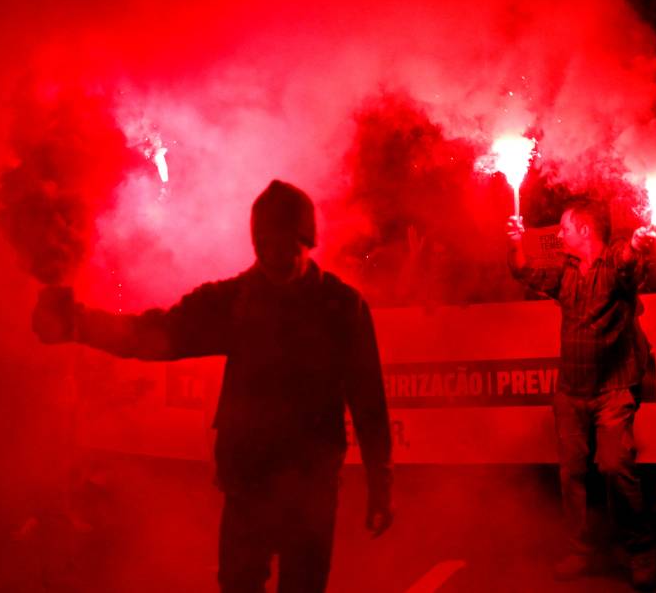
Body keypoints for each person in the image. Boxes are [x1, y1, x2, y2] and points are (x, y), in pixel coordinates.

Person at [32, 180, 394, 593]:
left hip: (310, 484)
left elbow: (369, 400)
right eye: (266, 247)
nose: (275, 257)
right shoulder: (235, 301)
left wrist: (380, 483)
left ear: (307, 241)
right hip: (248, 479)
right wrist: (78, 323)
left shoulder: (341, 307)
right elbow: (154, 334)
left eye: (285, 247)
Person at [506, 199, 656, 590]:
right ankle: (580, 550)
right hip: (571, 391)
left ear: (585, 231)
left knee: (613, 466)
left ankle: (639, 550)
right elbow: (524, 272)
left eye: (565, 228)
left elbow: (629, 262)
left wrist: (640, 244)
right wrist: (516, 244)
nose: (560, 234)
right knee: (572, 471)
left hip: (613, 390)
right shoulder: (565, 270)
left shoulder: (613, 264)